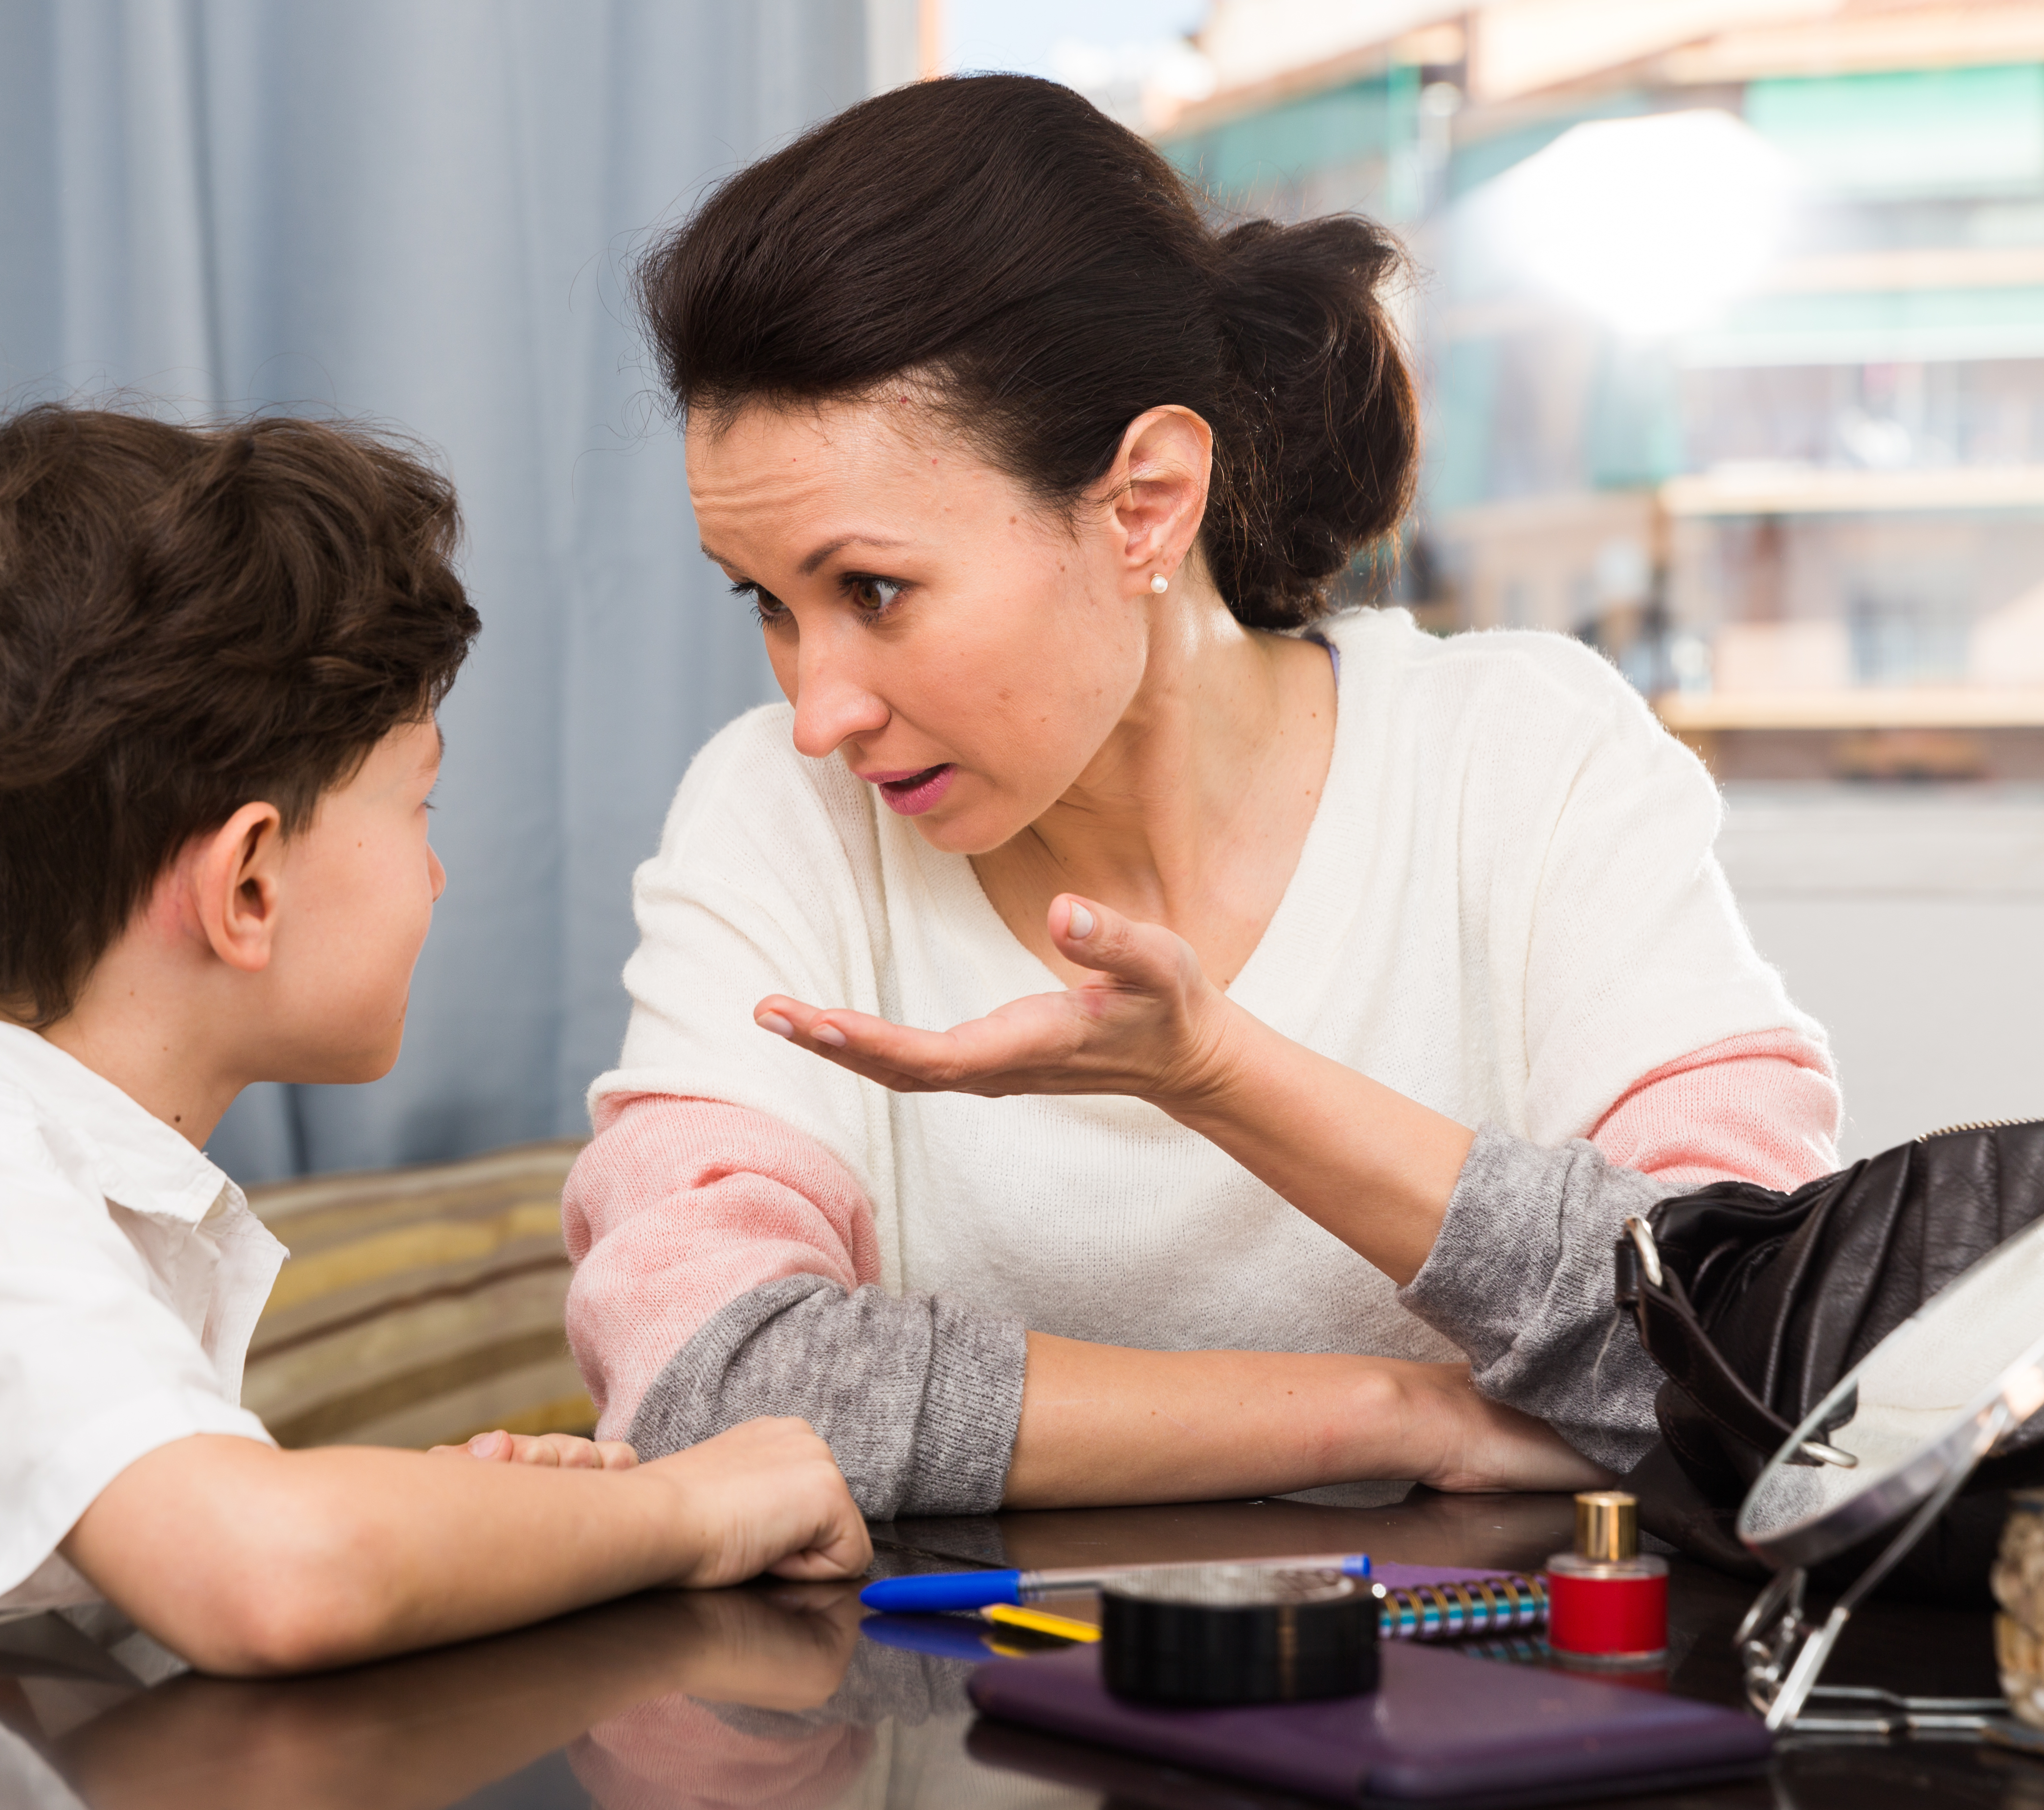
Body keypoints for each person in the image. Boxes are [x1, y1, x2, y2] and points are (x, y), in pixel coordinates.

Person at [554, 76, 1840, 1519]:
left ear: (1147, 500)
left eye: (873, 590)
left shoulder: (1524, 760)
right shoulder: (779, 824)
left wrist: (1217, 1073)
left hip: (1501, 1710)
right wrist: (1391, 1413)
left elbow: (1759, 1353)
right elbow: (704, 1380)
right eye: (773, 606)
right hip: (958, 1721)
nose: (816, 711)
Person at [0, 407, 868, 1810]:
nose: (436, 879)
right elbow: (273, 1577)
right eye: (418, 808)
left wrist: (515, 1520)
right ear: (249, 885)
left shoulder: (29, 1164)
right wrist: (688, 1506)